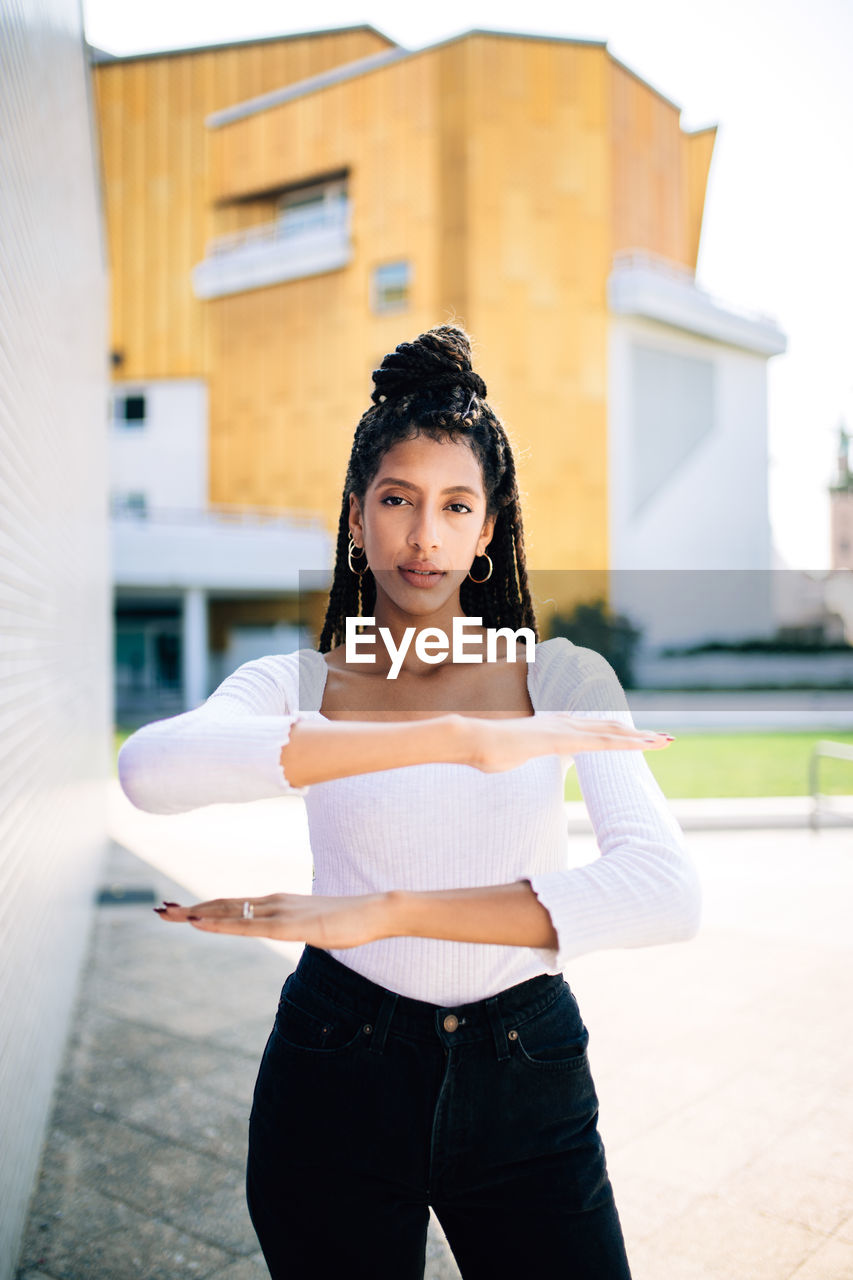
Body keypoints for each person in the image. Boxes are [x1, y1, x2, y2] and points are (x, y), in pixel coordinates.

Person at [118, 324, 702, 1279]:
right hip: (335, 1068)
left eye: (454, 506)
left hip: (526, 1076)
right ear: (356, 519)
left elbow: (665, 891)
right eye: (396, 500)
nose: (423, 537)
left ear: (486, 532)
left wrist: (386, 910)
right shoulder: (297, 681)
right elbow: (150, 771)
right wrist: (458, 737)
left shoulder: (562, 675)